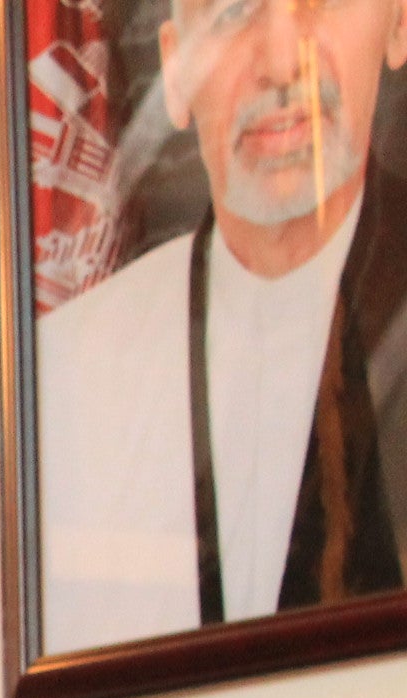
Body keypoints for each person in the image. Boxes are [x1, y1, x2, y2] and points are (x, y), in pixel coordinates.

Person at [37, 0, 407, 652]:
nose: (282, 63)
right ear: (176, 69)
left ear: (399, 24)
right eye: (235, 11)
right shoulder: (64, 378)